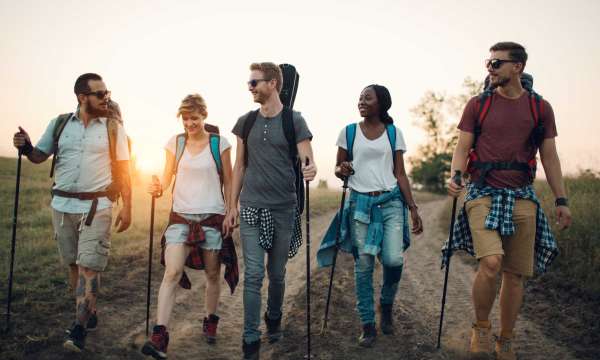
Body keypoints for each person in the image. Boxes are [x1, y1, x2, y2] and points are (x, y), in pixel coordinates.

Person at [446, 42, 572, 360]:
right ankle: (481, 327)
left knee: (515, 275)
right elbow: (462, 148)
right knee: (490, 263)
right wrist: (457, 176)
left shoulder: (539, 108)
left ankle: (506, 339)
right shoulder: (478, 104)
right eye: (488, 63)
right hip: (482, 193)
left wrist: (561, 199)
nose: (490, 68)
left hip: (522, 197)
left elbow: (550, 157)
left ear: (518, 67)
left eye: (496, 63)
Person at [12, 73, 132, 352]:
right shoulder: (60, 124)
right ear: (82, 97)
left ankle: (77, 328)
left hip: (97, 206)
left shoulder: (114, 128)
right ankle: (88, 310)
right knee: (75, 267)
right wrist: (26, 145)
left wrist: (127, 207)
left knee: (89, 266)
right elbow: (39, 156)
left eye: (107, 92)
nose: (107, 98)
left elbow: (125, 171)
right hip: (63, 207)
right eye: (100, 94)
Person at [319, 84, 423, 347]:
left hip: (390, 203)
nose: (361, 101)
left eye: (368, 98)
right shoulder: (349, 132)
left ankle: (385, 304)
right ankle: (367, 323)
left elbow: (400, 173)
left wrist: (413, 207)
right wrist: (342, 169)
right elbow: (338, 169)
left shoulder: (393, 133)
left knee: (393, 259)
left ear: (382, 104)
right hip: (360, 205)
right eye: (360, 98)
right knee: (363, 265)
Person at [225, 62, 317, 360]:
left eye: (254, 82)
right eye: (248, 82)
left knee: (276, 274)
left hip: (283, 208)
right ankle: (250, 337)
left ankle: (273, 316)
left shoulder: (295, 121)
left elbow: (306, 158)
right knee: (252, 275)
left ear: (273, 83)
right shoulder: (245, 122)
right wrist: (231, 207)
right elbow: (240, 166)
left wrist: (311, 168)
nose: (249, 87)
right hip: (251, 206)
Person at [141, 94, 237, 359]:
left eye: (194, 117)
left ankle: (210, 319)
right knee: (171, 272)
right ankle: (160, 335)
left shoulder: (220, 144)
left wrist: (231, 210)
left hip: (212, 217)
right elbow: (166, 176)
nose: (190, 123)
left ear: (204, 116)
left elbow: (229, 180)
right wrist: (157, 187)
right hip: (180, 217)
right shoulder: (175, 143)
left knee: (212, 274)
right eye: (185, 118)